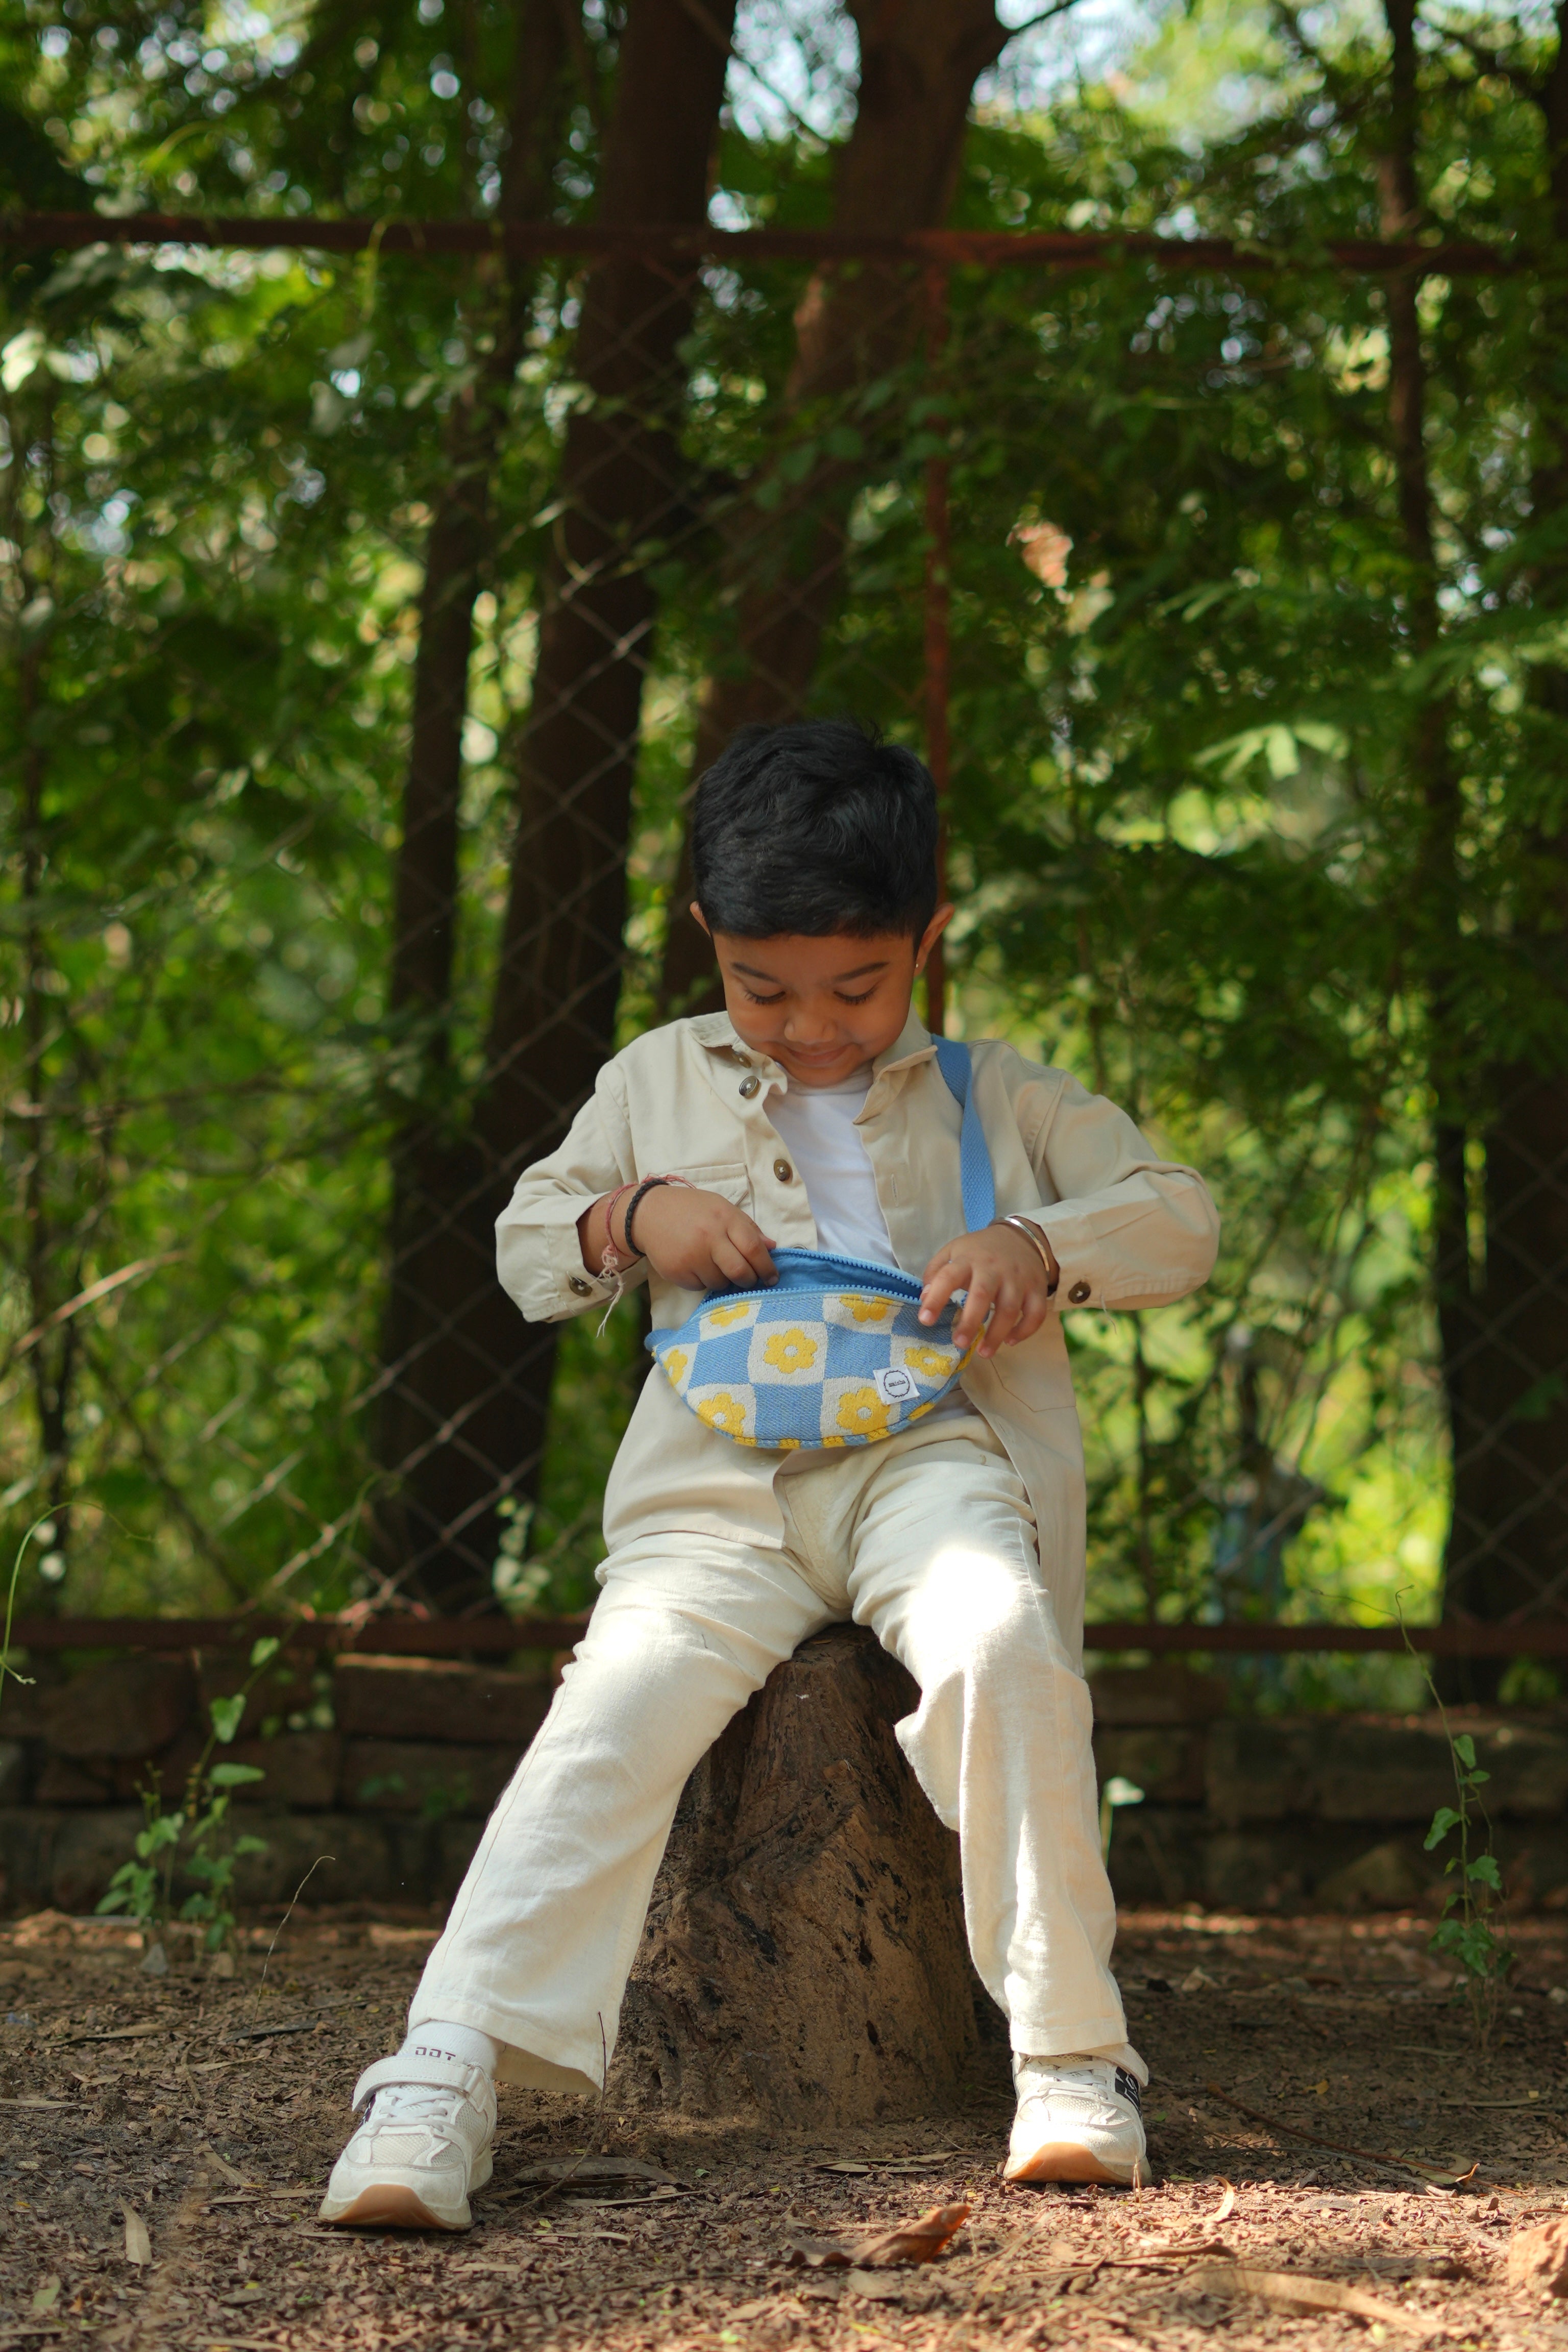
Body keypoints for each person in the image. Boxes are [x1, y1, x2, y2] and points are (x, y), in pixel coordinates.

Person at [320, 718, 1219, 2231]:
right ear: (705, 942)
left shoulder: (997, 1096)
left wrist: (1037, 1245)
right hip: (713, 1494)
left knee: (1000, 1638)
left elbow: (1179, 1216)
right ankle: (442, 2069)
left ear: (928, 938)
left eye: (859, 988)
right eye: (763, 988)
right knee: (611, 1714)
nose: (810, 1028)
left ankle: (1071, 2052)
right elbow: (528, 1242)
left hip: (929, 1464)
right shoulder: (653, 1077)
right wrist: (633, 1218)